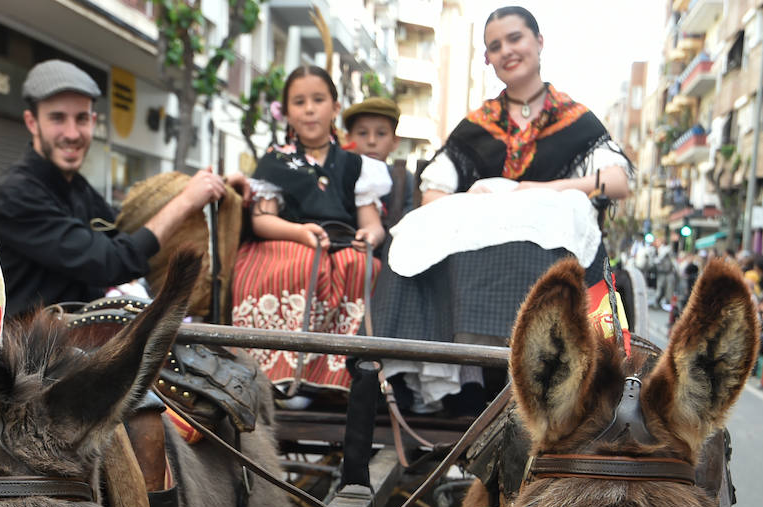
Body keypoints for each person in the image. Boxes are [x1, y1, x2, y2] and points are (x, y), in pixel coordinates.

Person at [372, 5, 631, 412]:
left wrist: (542, 190)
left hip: (555, 242)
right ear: (489, 60)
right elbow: (434, 192)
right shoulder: (477, 124)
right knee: (411, 234)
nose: (506, 51)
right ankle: (449, 372)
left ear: (539, 42)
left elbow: (617, 181)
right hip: (479, 253)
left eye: (515, 38)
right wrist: (476, 202)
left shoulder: (576, 119)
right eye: (495, 46)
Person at [0, 59, 227, 317]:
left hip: (77, 346)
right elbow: (111, 262)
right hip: (26, 355)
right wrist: (186, 201)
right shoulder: (13, 194)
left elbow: (127, 231)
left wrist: (220, 186)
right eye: (57, 118)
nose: (72, 133)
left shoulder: (77, 187)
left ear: (93, 121)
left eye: (81, 119)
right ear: (32, 122)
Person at [232, 65, 389, 403]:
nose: (309, 109)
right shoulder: (275, 161)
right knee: (303, 264)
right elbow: (263, 220)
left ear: (334, 107)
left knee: (361, 265)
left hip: (342, 241)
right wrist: (299, 233)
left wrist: (369, 238)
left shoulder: (356, 165)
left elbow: (372, 222)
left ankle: (343, 378)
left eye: (318, 99)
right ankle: (287, 375)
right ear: (286, 111)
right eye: (299, 101)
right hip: (287, 240)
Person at [342, 96, 414, 259]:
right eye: (362, 133)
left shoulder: (403, 179)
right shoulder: (341, 173)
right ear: (348, 139)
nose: (371, 141)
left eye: (381, 134)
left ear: (395, 141)